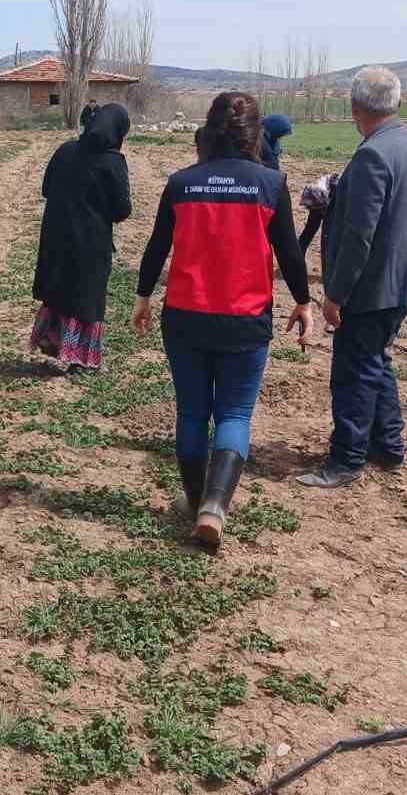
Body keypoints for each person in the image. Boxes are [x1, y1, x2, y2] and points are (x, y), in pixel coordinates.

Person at [133, 91, 314, 547]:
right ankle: (215, 506)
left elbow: (157, 247)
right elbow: (289, 252)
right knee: (234, 412)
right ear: (255, 134)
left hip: (186, 317)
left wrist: (142, 297)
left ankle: (195, 502)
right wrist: (303, 301)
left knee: (193, 411)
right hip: (244, 318)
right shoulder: (270, 184)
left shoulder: (181, 183)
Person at [297, 67, 407, 489]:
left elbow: (360, 236)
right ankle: (387, 446)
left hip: (369, 290)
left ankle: (346, 460)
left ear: (356, 107)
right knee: (376, 361)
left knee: (353, 372)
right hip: (399, 282)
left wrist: (335, 293)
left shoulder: (373, 154)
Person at [30, 103, 133, 372]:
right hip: (90, 240)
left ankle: (52, 339)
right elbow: (122, 210)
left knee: (58, 285)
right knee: (86, 295)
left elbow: (46, 188)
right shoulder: (113, 161)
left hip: (56, 232)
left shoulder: (65, 150)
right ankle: (79, 357)